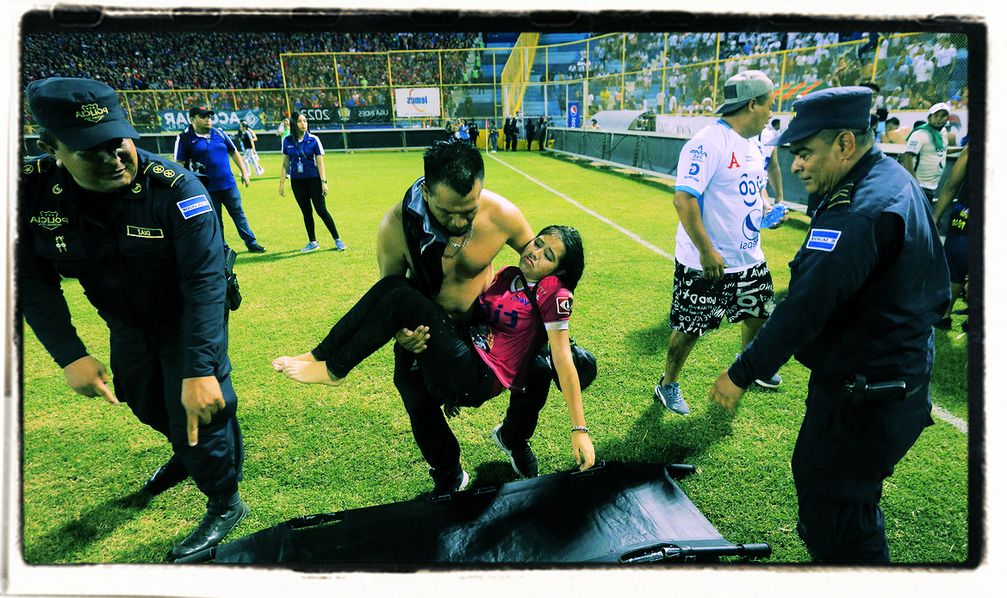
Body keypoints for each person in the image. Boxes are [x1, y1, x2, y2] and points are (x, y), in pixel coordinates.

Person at [709, 87, 950, 563]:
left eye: (804, 153)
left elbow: (805, 306)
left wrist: (741, 372)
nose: (796, 166)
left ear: (843, 144)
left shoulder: (855, 210)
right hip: (893, 381)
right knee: (850, 505)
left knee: (837, 523)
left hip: (867, 398)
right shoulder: (890, 179)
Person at [20, 77, 249, 562]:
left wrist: (201, 368)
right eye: (90, 150)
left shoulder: (176, 189)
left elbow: (205, 283)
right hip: (125, 321)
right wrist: (70, 355)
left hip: (185, 316)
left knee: (196, 408)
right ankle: (189, 455)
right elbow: (31, 281)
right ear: (51, 147)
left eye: (118, 141)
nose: (114, 158)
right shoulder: (32, 192)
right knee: (144, 400)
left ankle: (226, 501)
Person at [272, 225, 595, 485]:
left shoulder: (554, 292)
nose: (534, 253)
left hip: (483, 377)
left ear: (560, 269)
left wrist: (579, 430)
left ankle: (335, 370)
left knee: (403, 300)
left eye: (547, 254)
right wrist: (439, 362)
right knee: (395, 284)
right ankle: (319, 355)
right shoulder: (508, 275)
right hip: (463, 362)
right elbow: (471, 320)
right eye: (536, 243)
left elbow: (561, 357)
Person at [654, 70, 783, 416]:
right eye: (770, 103)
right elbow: (684, 200)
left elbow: (754, 188)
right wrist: (706, 250)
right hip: (707, 261)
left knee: (757, 313)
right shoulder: (707, 142)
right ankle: (668, 384)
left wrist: (766, 207)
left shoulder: (755, 143)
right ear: (753, 104)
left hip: (749, 257)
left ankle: (747, 368)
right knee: (690, 329)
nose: (773, 111)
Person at [175, 105, 266, 254]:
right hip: (205, 189)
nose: (208, 119)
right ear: (192, 120)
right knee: (215, 221)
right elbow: (179, 164)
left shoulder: (219, 133)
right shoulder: (185, 138)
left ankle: (251, 242)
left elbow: (234, 152)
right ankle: (222, 248)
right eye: (203, 117)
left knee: (239, 215)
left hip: (228, 184)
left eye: (209, 116)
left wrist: (244, 172)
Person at [279, 111, 346, 252]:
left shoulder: (314, 140)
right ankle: (312, 242)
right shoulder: (287, 141)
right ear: (294, 124)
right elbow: (285, 164)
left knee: (321, 210)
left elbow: (320, 163)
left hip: (314, 181)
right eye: (300, 121)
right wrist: (281, 184)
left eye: (305, 121)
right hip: (297, 182)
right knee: (306, 212)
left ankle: (338, 240)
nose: (304, 124)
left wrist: (324, 182)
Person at [932, 144, 970, 330]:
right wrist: (936, 216)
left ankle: (944, 316)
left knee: (954, 266)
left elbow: (950, 186)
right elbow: (951, 186)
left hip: (964, 215)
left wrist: (936, 216)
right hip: (966, 216)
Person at [899, 102, 951, 205]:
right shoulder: (920, 134)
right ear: (929, 117)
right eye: (936, 115)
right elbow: (907, 157)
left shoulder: (943, 132)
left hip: (932, 186)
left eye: (943, 115)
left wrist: (962, 150)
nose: (939, 118)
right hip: (919, 186)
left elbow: (943, 150)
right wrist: (914, 183)